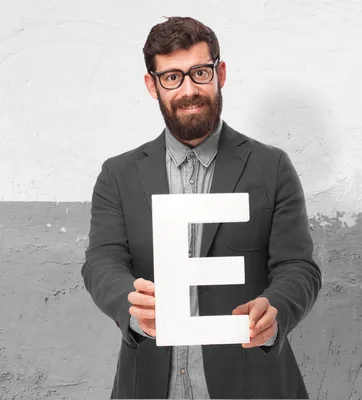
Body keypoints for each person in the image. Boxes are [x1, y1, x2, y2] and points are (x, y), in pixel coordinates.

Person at [81, 16, 322, 399]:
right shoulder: (119, 175)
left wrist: (275, 308)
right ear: (152, 85)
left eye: (199, 72)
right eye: (172, 77)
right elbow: (101, 263)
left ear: (220, 73)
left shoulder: (271, 167)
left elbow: (298, 267)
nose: (189, 90)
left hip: (252, 382)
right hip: (149, 381)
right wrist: (131, 303)